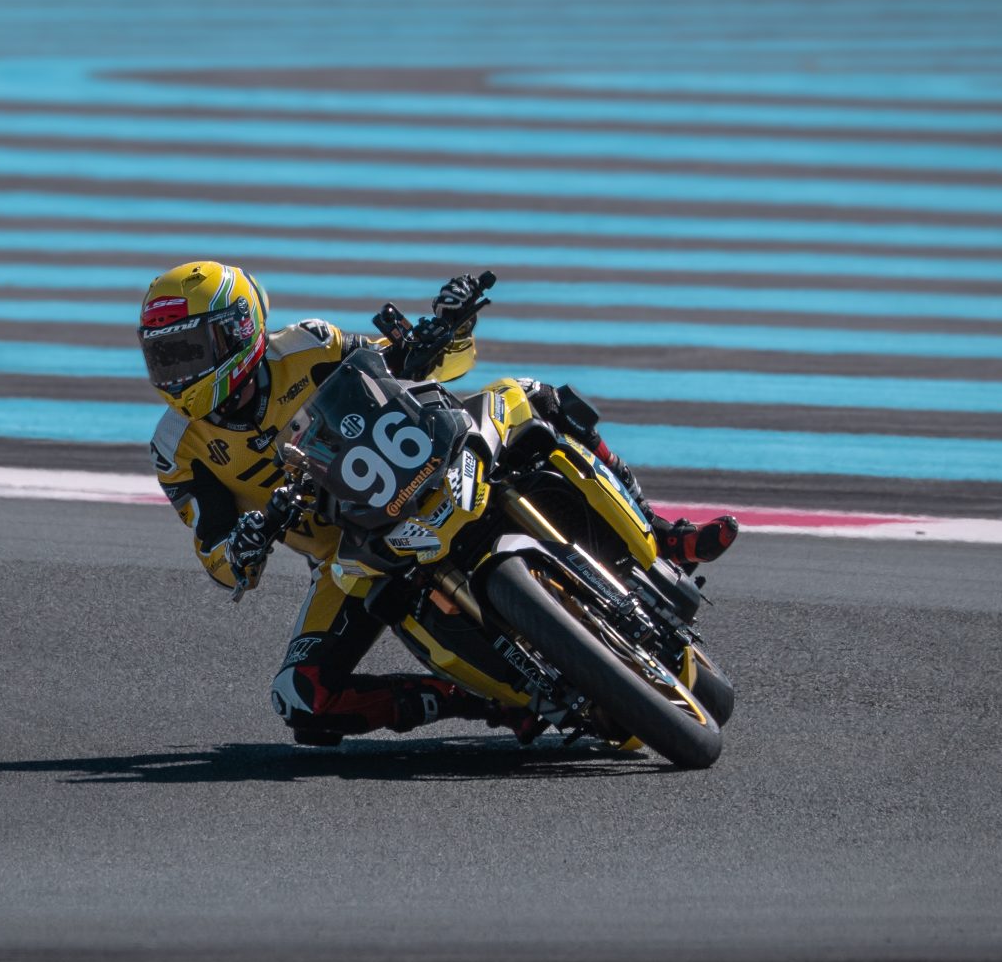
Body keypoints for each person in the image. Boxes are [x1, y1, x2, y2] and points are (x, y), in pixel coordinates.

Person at [139, 260, 737, 747]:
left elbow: (406, 365)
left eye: (189, 351)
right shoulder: (177, 448)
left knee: (532, 397)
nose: (178, 372)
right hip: (348, 552)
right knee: (301, 697)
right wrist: (243, 544)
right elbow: (220, 562)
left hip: (428, 458)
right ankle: (476, 701)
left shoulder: (309, 343)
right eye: (165, 358)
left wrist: (448, 327)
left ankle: (661, 534)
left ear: (241, 328)